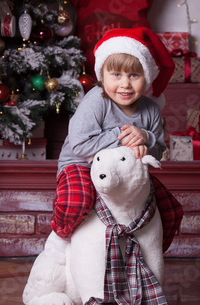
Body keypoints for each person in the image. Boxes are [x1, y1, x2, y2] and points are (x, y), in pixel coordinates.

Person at [51, 27, 183, 251]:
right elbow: (80, 145)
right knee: (77, 200)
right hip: (80, 165)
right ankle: (60, 243)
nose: (125, 84)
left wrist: (145, 138)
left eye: (134, 75)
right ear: (102, 76)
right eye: (116, 75)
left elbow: (159, 151)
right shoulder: (96, 101)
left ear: (147, 77)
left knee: (170, 210)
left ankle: (145, 257)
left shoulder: (150, 110)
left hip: (126, 171)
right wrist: (121, 137)